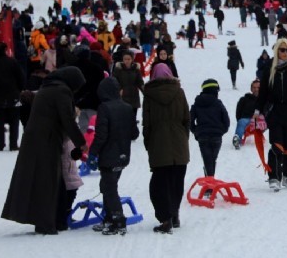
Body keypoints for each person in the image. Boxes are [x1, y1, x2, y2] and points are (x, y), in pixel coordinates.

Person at [1, 67, 87, 235]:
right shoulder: (62, 91)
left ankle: (52, 220)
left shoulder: (48, 88)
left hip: (36, 140)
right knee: (47, 182)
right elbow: (67, 119)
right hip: (46, 141)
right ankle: (46, 223)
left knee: (41, 180)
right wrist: (81, 142)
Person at [88, 78, 139, 235]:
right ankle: (109, 218)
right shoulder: (127, 107)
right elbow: (134, 133)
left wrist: (93, 153)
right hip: (123, 155)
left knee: (109, 189)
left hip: (108, 155)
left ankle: (118, 220)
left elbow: (101, 135)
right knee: (108, 186)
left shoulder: (104, 108)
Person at [143, 63, 190, 234]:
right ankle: (174, 214)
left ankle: (165, 218)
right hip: (179, 144)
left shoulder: (149, 95)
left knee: (159, 183)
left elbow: (146, 124)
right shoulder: (179, 92)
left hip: (158, 143)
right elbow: (187, 118)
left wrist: (149, 143)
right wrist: (183, 137)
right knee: (176, 181)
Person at [254, 39, 287, 190]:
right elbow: (263, 92)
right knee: (277, 145)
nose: (284, 53)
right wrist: (258, 110)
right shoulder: (270, 68)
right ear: (277, 51)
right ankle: (274, 176)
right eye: (282, 50)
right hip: (274, 112)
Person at [190, 79, 230, 184]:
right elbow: (226, 120)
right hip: (216, 136)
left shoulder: (197, 103)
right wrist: (221, 131)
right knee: (212, 159)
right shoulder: (218, 103)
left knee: (207, 159)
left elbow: (189, 119)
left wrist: (195, 131)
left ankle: (209, 182)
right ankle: (210, 183)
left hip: (202, 136)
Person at [112, 50, 144, 118]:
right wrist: (119, 89)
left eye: (128, 59)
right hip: (122, 97)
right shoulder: (118, 69)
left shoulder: (136, 69)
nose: (127, 61)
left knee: (132, 118)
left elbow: (140, 82)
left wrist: (145, 91)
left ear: (132, 59)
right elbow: (114, 81)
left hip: (134, 97)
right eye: (125, 59)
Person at [234, 80, 260, 149]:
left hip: (260, 120)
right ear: (251, 89)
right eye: (254, 88)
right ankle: (237, 140)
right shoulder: (244, 99)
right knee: (242, 121)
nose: (256, 89)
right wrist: (240, 120)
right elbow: (238, 112)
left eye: (258, 87)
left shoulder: (264, 100)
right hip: (247, 119)